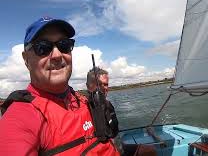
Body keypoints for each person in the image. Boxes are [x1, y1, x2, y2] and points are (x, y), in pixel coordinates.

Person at [0, 16, 120, 155]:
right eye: (42, 48)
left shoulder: (82, 99)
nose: (57, 55)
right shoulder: (22, 116)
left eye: (64, 45)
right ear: (26, 59)